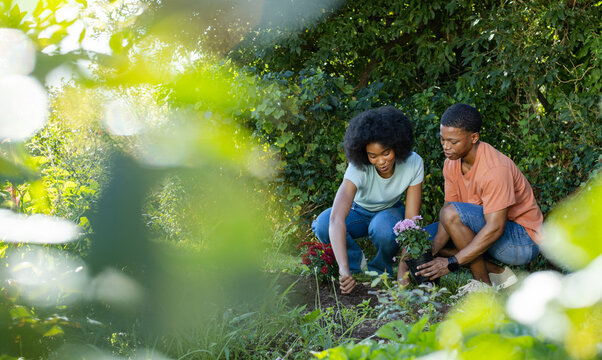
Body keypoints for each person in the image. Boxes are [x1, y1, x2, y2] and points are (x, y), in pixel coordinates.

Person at [416, 103, 543, 289]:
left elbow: (495, 228)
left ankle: (482, 286)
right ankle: (498, 274)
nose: (446, 146)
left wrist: (451, 263)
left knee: (452, 215)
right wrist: (433, 249)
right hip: (487, 229)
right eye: (442, 140)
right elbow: (447, 213)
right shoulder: (451, 163)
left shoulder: (495, 169)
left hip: (522, 242)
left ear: (474, 137)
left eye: (453, 141)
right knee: (423, 240)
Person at [311, 106, 423, 294]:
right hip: (358, 211)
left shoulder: (414, 163)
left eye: (386, 153)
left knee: (384, 229)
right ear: (364, 154)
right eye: (373, 156)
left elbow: (410, 223)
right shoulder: (358, 167)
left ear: (397, 146)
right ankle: (356, 265)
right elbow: (336, 218)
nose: (381, 161)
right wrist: (343, 269)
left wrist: (403, 275)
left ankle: (380, 270)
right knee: (322, 224)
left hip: (390, 212)